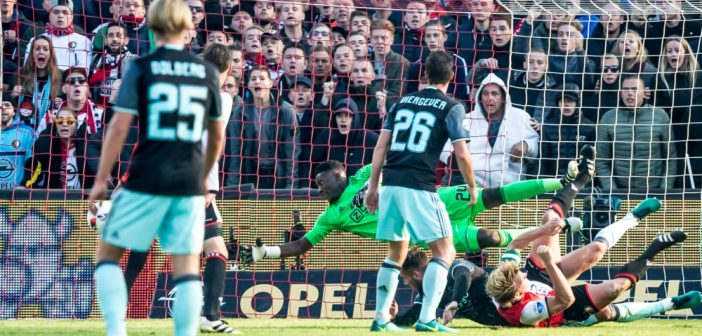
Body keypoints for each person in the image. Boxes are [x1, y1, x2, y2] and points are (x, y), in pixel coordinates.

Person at [89, 1, 225, 336]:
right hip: (187, 181)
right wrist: (200, 174)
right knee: (186, 266)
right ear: (186, 27)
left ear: (151, 27)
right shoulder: (206, 71)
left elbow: (119, 127)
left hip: (145, 176)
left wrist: (100, 180)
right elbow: (217, 135)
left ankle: (115, 330)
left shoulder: (142, 66)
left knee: (107, 253)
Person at [245, 158, 579, 264]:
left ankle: (559, 181)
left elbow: (389, 162)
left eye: (322, 181)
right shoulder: (330, 216)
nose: (319, 188)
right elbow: (302, 245)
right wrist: (265, 253)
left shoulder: (362, 176)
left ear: (339, 175)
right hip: (426, 230)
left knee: (492, 195)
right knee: (491, 237)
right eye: (316, 185)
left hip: (435, 200)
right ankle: (553, 230)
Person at [365, 50, 478, 332]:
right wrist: (472, 185)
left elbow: (381, 146)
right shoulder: (451, 106)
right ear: (452, 75)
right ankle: (427, 318)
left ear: (425, 73)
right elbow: (462, 153)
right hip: (419, 185)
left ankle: (381, 320)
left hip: (390, 183)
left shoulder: (401, 102)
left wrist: (372, 186)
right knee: (444, 250)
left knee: (396, 253)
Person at [395, 234, 702, 328]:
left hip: (535, 285)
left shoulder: (452, 272)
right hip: (548, 305)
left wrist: (453, 302)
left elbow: (464, 272)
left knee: (582, 246)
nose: (408, 286)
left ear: (418, 274)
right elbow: (414, 317)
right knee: (610, 302)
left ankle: (581, 189)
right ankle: (670, 300)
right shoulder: (427, 300)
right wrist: (392, 317)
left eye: (407, 279)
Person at [197, 43, 239, 334]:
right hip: (193, 178)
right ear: (230, 70)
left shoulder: (182, 89)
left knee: (213, 244)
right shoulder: (222, 99)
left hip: (162, 170)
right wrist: (210, 185)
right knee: (214, 249)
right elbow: (213, 142)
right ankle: (208, 316)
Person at [596, 76, 677, 191]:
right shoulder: (608, 118)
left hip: (653, 189)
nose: (629, 93)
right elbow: (601, 160)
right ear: (620, 93)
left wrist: (664, 190)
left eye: (634, 89)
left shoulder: (660, 116)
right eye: (625, 89)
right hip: (619, 190)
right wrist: (612, 191)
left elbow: (671, 158)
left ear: (644, 93)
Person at [0, 96, 35, 190]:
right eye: (0, 105)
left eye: (7, 105)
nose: (3, 108)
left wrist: (24, 185)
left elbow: (35, 163)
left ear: (14, 111)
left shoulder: (27, 132)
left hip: (18, 195)